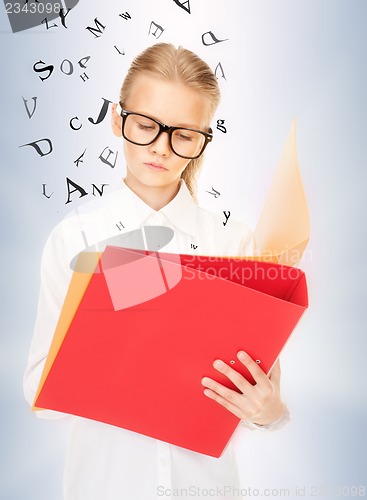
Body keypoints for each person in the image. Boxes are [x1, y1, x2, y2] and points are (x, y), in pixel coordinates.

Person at [24, 43, 290, 500]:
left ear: (204, 138)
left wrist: (269, 411)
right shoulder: (74, 241)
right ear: (116, 119)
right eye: (146, 126)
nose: (161, 149)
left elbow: (261, 394)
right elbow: (39, 394)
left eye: (184, 135)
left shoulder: (232, 244)